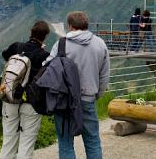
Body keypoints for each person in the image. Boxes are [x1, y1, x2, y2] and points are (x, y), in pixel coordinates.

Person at [45, 12, 109, 159]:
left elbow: (48, 69)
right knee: (92, 141)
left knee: (65, 142)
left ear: (70, 26)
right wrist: (97, 94)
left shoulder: (61, 44)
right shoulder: (100, 44)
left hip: (64, 101)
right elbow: (104, 75)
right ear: (86, 25)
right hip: (88, 98)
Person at [0, 21, 51, 159]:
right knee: (26, 143)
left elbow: (5, 55)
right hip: (31, 103)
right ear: (45, 36)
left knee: (8, 141)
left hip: (9, 99)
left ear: (31, 32)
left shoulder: (16, 47)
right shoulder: (44, 56)